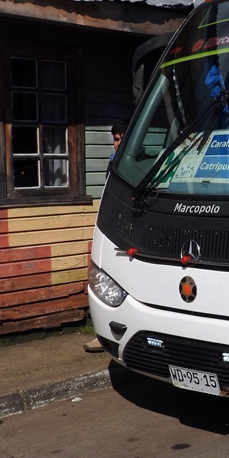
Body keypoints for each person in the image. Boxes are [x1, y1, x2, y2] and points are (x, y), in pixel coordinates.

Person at [84, 120, 126, 353]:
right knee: (103, 280)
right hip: (110, 224)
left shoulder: (139, 161)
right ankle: (103, 334)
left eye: (120, 139)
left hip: (129, 230)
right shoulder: (113, 162)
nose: (116, 144)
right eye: (115, 139)